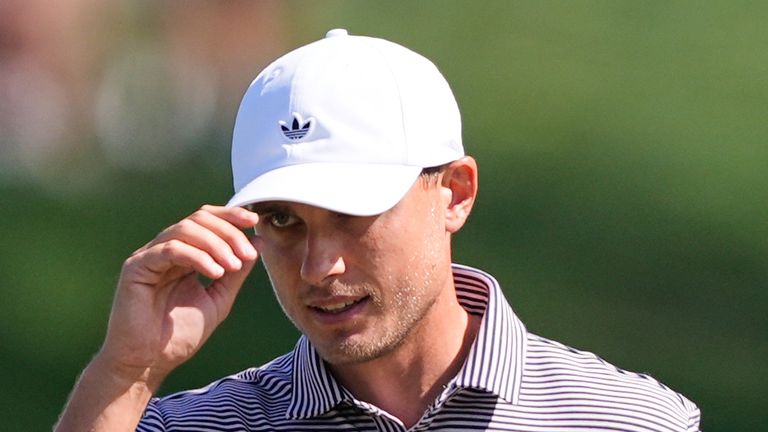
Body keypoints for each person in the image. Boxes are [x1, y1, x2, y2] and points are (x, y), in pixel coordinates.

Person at [55, 29, 701, 432]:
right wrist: (127, 372)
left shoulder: (634, 423)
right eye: (282, 221)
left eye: (352, 213)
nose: (318, 268)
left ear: (455, 194)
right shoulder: (184, 427)